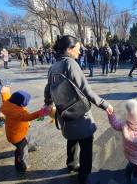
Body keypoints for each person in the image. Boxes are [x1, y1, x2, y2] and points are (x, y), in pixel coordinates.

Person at [44, 35, 113, 184]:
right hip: (78, 111)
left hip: (64, 112)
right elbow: (86, 90)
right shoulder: (71, 63)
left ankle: (71, 165)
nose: (80, 52)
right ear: (69, 49)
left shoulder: (55, 65)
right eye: (78, 49)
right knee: (86, 143)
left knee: (72, 138)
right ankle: (84, 176)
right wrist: (104, 104)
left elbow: (47, 88)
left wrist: (48, 103)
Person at [1, 90, 50, 173]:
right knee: (22, 151)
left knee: (28, 137)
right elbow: (29, 117)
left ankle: (33, 146)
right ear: (21, 103)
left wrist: (5, 91)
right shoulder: (18, 113)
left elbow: (6, 98)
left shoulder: (9, 104)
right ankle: (21, 166)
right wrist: (43, 111)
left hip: (20, 130)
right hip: (16, 137)